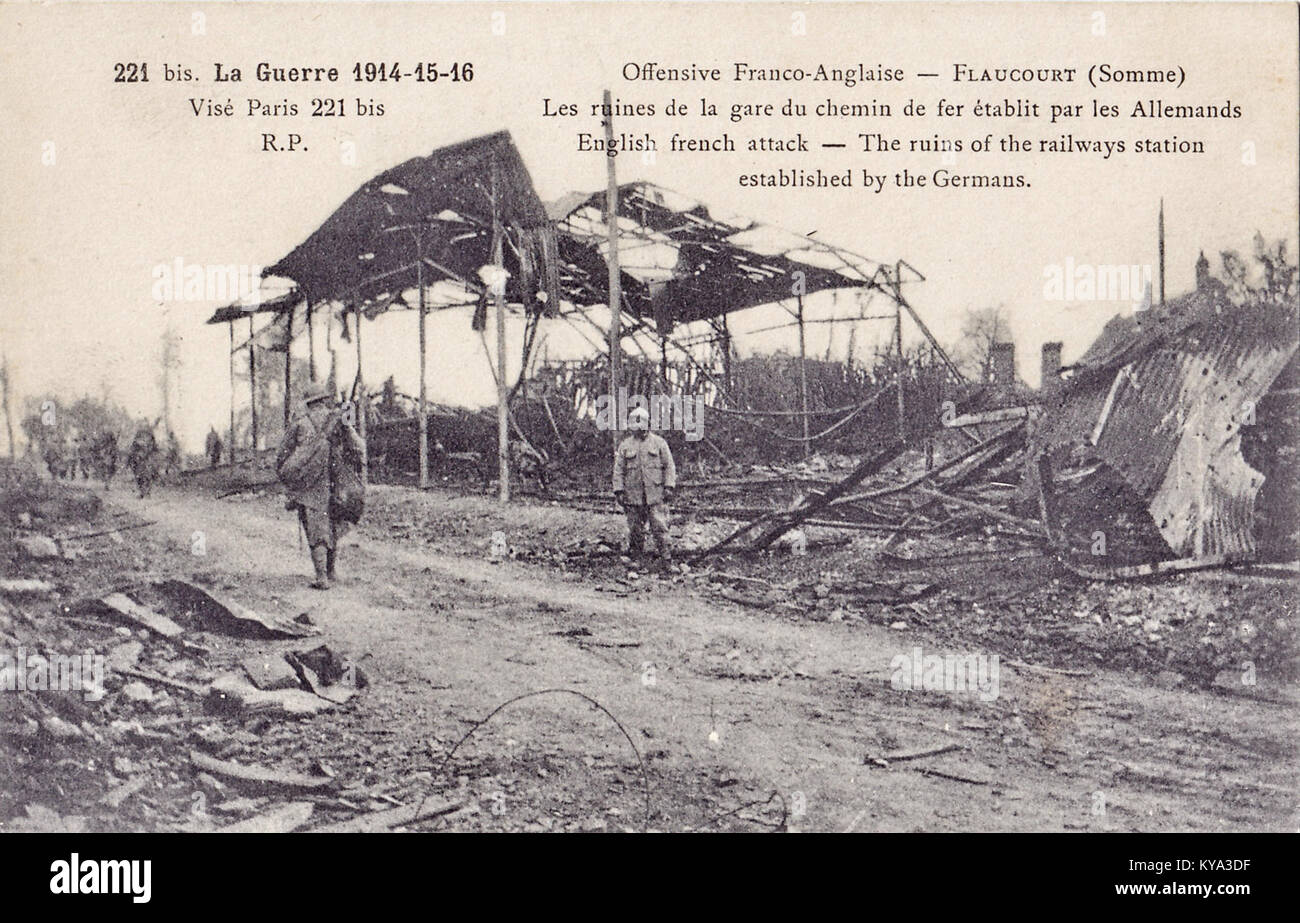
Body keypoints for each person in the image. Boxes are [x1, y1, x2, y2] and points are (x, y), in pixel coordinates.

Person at [276, 385, 365, 590]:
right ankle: (331, 572)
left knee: (315, 527)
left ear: (309, 403)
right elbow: (358, 448)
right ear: (323, 400)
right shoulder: (339, 419)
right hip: (335, 481)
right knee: (333, 525)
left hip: (309, 484)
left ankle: (321, 577)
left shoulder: (299, 424)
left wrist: (292, 478)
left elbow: (282, 456)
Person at [612, 406, 677, 571]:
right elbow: (618, 470)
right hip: (633, 495)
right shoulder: (625, 445)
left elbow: (669, 466)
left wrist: (669, 486)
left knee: (660, 527)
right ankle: (637, 559)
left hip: (655, 494)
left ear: (648, 424)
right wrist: (619, 491)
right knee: (635, 529)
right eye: (635, 423)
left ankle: (667, 561)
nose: (639, 428)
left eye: (642, 423)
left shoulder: (659, 443)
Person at [126, 420, 160, 497]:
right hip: (139, 458)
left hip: (147, 458)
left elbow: (154, 446)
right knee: (139, 476)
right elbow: (134, 445)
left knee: (148, 475)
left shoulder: (150, 435)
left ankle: (147, 492)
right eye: (142, 425)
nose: (144, 427)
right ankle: (142, 492)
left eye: (145, 425)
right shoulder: (138, 434)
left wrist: (149, 452)